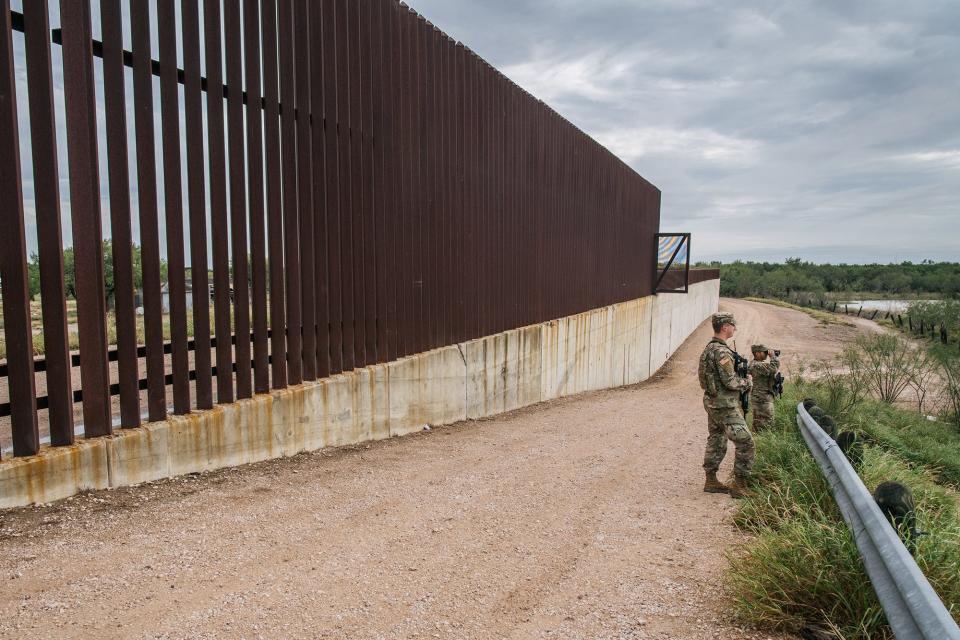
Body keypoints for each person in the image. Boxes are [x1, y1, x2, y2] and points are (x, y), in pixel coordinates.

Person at [697, 312, 755, 498]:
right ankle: (739, 485)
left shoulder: (709, 348)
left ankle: (711, 480)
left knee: (717, 438)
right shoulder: (722, 352)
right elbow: (730, 381)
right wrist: (747, 382)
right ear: (724, 327)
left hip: (712, 401)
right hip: (725, 404)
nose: (735, 328)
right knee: (746, 442)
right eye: (732, 325)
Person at [749, 345, 780, 432]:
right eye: (764, 352)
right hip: (762, 399)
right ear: (757, 353)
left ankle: (758, 441)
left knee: (759, 424)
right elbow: (773, 368)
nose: (767, 354)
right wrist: (773, 357)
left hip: (762, 398)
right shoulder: (756, 365)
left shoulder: (758, 364)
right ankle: (761, 441)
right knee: (767, 424)